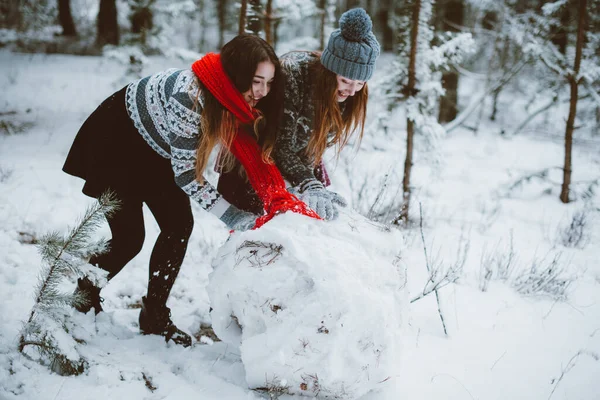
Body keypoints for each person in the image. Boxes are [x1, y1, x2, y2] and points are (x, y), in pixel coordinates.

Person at [62, 34, 285, 347]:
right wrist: (233, 216)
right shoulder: (191, 99)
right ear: (236, 74)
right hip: (115, 143)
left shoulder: (231, 96)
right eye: (256, 81)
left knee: (179, 226)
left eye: (269, 82)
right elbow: (187, 176)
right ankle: (83, 297)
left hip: (156, 149)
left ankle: (154, 315)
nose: (262, 92)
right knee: (129, 239)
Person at [218, 8, 380, 220]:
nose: (351, 91)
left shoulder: (347, 97)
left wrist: (314, 185)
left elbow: (311, 148)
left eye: (360, 83)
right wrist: (308, 183)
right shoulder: (292, 75)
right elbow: (279, 145)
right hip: (252, 164)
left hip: (292, 167)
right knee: (254, 234)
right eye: (346, 81)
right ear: (329, 73)